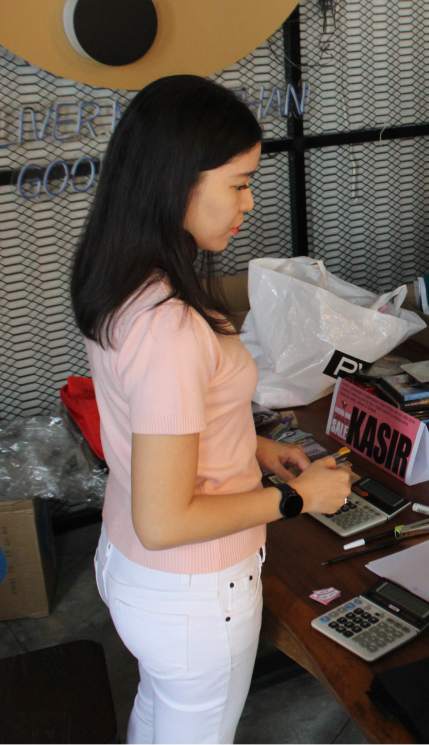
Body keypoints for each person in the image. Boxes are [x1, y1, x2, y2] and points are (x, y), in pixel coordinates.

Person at [70, 76, 352, 743]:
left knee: (161, 712)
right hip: (191, 591)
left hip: (137, 568)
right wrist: (297, 500)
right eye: (239, 182)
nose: (249, 202)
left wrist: (254, 447)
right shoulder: (167, 325)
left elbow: (163, 425)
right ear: (177, 182)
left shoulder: (127, 279)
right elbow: (166, 520)